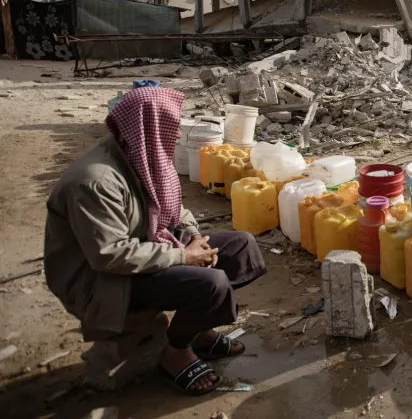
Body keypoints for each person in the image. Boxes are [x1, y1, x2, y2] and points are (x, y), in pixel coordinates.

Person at [44, 87, 266, 396]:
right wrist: (184, 257)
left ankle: (199, 331)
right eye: (171, 126)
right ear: (148, 126)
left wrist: (197, 237)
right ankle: (176, 351)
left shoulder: (142, 152)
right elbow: (110, 256)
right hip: (101, 282)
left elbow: (172, 207)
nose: (176, 135)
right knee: (210, 283)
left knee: (241, 247)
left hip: (145, 246)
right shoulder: (95, 181)